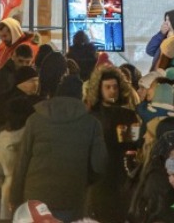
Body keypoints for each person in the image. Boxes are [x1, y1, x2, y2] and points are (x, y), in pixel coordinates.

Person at [12, 73, 106, 222]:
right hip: (71, 197)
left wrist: (15, 197)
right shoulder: (92, 124)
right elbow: (99, 165)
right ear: (81, 97)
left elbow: (22, 162)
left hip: (35, 197)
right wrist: (83, 180)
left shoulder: (35, 120)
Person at [86, 64, 142, 223]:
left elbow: (134, 144)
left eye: (115, 87)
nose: (112, 91)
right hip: (99, 179)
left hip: (122, 176)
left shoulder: (128, 115)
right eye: (108, 87)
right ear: (99, 89)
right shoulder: (91, 117)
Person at [0, 95, 35, 222]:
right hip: (32, 190)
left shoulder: (1, 138)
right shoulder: (36, 136)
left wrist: (3, 182)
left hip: (6, 192)